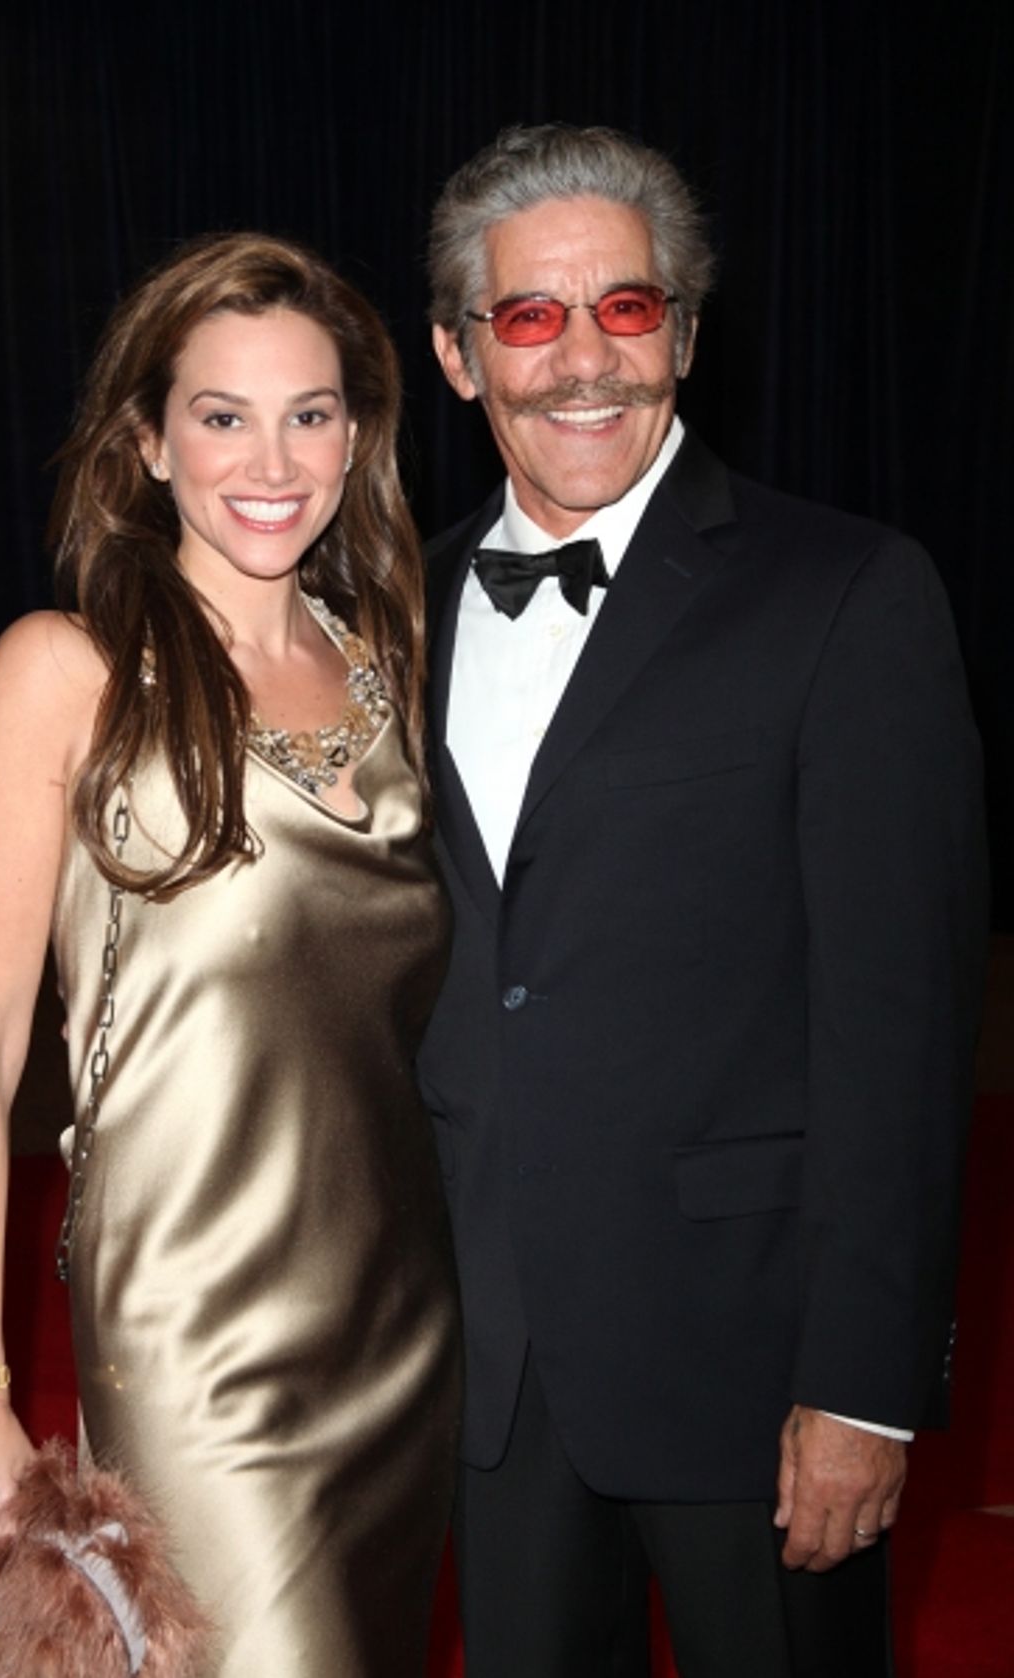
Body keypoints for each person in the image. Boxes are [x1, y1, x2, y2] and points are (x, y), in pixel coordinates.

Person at [417, 123, 989, 1678]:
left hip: (755, 1366)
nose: (584, 358)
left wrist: (867, 1383)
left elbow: (903, 1024)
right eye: (531, 316)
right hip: (486, 1363)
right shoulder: (391, 610)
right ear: (461, 357)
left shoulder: (849, 593)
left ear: (684, 329)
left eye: (630, 307)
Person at [0, 231, 461, 1677]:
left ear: (357, 438)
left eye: (311, 413)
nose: (269, 458)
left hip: (406, 1323)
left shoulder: (394, 664)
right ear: (149, 441)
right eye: (221, 415)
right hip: (196, 1344)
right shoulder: (66, 675)